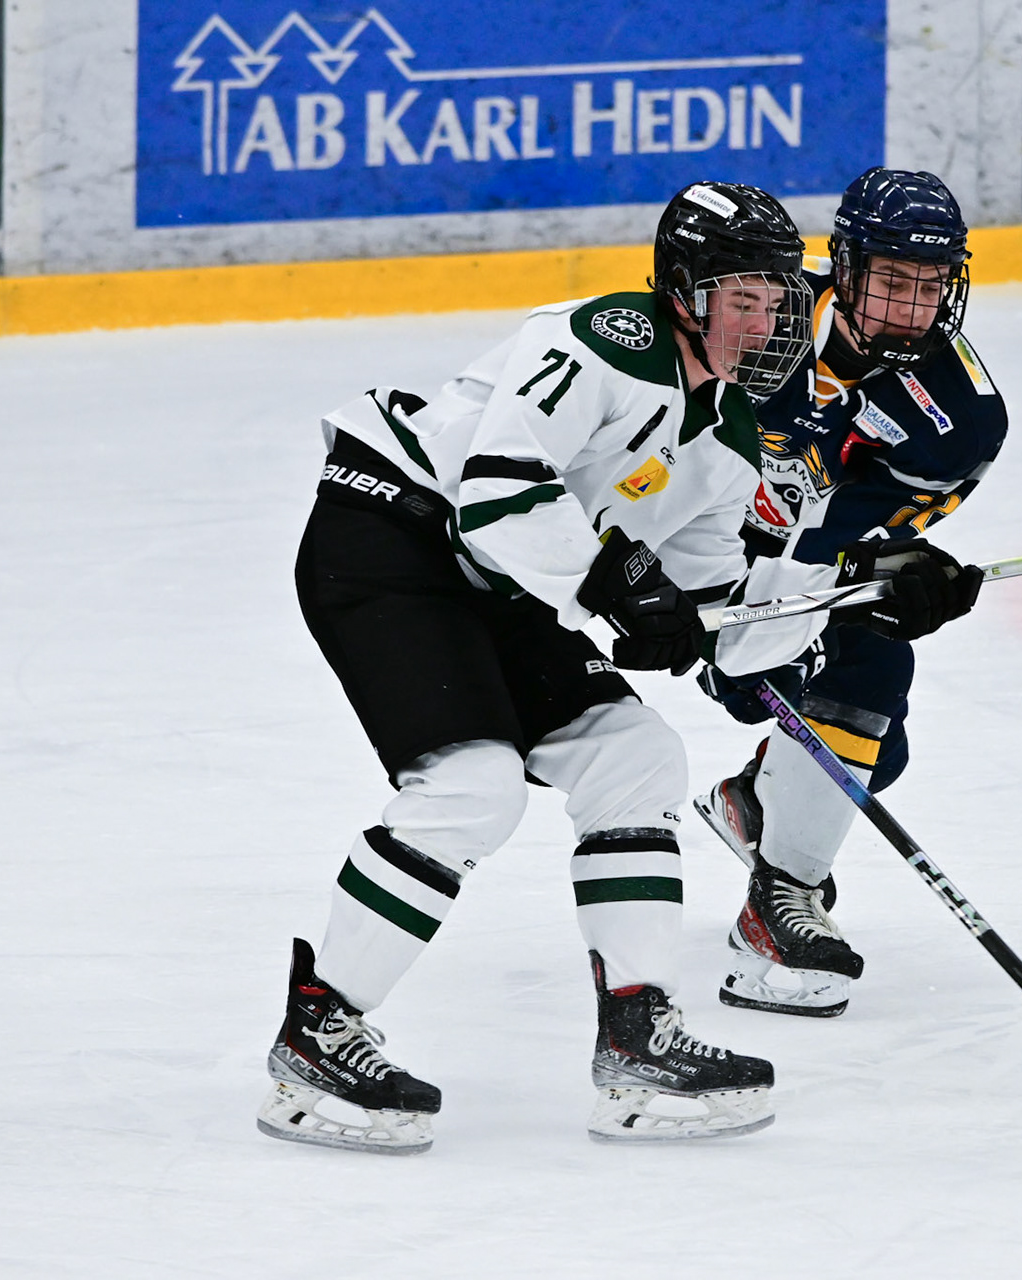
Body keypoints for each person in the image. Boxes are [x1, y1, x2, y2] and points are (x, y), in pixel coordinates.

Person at [259, 181, 816, 1150]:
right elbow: (495, 491)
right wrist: (616, 582)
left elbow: (716, 614)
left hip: (505, 579)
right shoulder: (608, 340)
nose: (761, 325)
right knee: (471, 785)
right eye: (741, 299)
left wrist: (853, 597)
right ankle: (319, 1030)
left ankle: (638, 1035)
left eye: (774, 303)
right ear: (684, 291)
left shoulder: (729, 438)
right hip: (394, 532)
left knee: (636, 757)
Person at [695, 168, 1006, 1017]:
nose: (913, 308)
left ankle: (773, 873)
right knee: (848, 735)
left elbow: (844, 548)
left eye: (931, 286)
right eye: (894, 282)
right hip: (665, 550)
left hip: (784, 569)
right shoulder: (754, 314)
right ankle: (780, 876)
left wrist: (904, 577)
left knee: (868, 738)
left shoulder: (959, 417)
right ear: (846, 265)